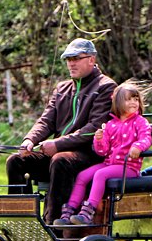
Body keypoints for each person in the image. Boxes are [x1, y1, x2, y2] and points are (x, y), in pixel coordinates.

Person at [6, 38, 117, 223]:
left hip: (89, 153)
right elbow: (46, 120)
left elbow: (94, 128)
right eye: (68, 59)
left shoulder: (105, 87)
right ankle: (21, 221)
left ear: (91, 59)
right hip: (61, 151)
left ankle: (55, 223)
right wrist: (29, 140)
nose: (71, 63)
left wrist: (57, 144)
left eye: (76, 58)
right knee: (16, 161)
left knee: (60, 160)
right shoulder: (62, 88)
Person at [54, 82, 152, 226]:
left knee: (100, 174)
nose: (134, 102)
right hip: (109, 164)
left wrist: (138, 146)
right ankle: (69, 211)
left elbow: (146, 138)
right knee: (82, 176)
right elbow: (103, 151)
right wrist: (99, 139)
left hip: (129, 167)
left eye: (136, 99)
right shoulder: (111, 124)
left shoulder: (140, 122)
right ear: (118, 102)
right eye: (129, 99)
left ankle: (88, 212)